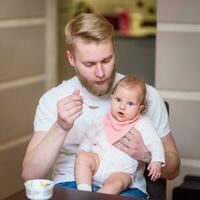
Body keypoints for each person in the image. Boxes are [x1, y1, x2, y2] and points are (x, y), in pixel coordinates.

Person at [22, 13, 180, 199]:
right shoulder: (53, 99)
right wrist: (60, 127)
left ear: (114, 48)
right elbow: (30, 175)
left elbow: (174, 169)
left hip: (125, 189)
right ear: (71, 58)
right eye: (89, 64)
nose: (100, 73)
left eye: (106, 60)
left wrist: (146, 155)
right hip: (70, 185)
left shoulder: (145, 96)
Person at [74, 75, 165, 197]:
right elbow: (89, 136)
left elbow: (155, 142)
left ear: (140, 108)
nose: (122, 106)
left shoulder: (142, 124)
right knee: (82, 158)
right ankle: (84, 192)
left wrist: (156, 160)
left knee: (116, 184)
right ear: (111, 98)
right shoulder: (104, 119)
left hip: (121, 172)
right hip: (98, 163)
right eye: (118, 100)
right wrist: (83, 149)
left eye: (130, 103)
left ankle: (98, 196)